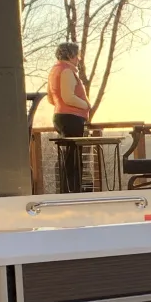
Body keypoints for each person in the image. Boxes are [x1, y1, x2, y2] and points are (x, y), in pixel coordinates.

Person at [47, 43, 90, 191]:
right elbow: (68, 97)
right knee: (74, 157)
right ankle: (72, 189)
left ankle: (69, 188)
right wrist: (86, 105)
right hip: (71, 117)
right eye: (77, 56)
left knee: (70, 155)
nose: (78, 59)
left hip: (60, 116)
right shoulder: (66, 71)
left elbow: (51, 99)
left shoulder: (55, 70)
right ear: (71, 56)